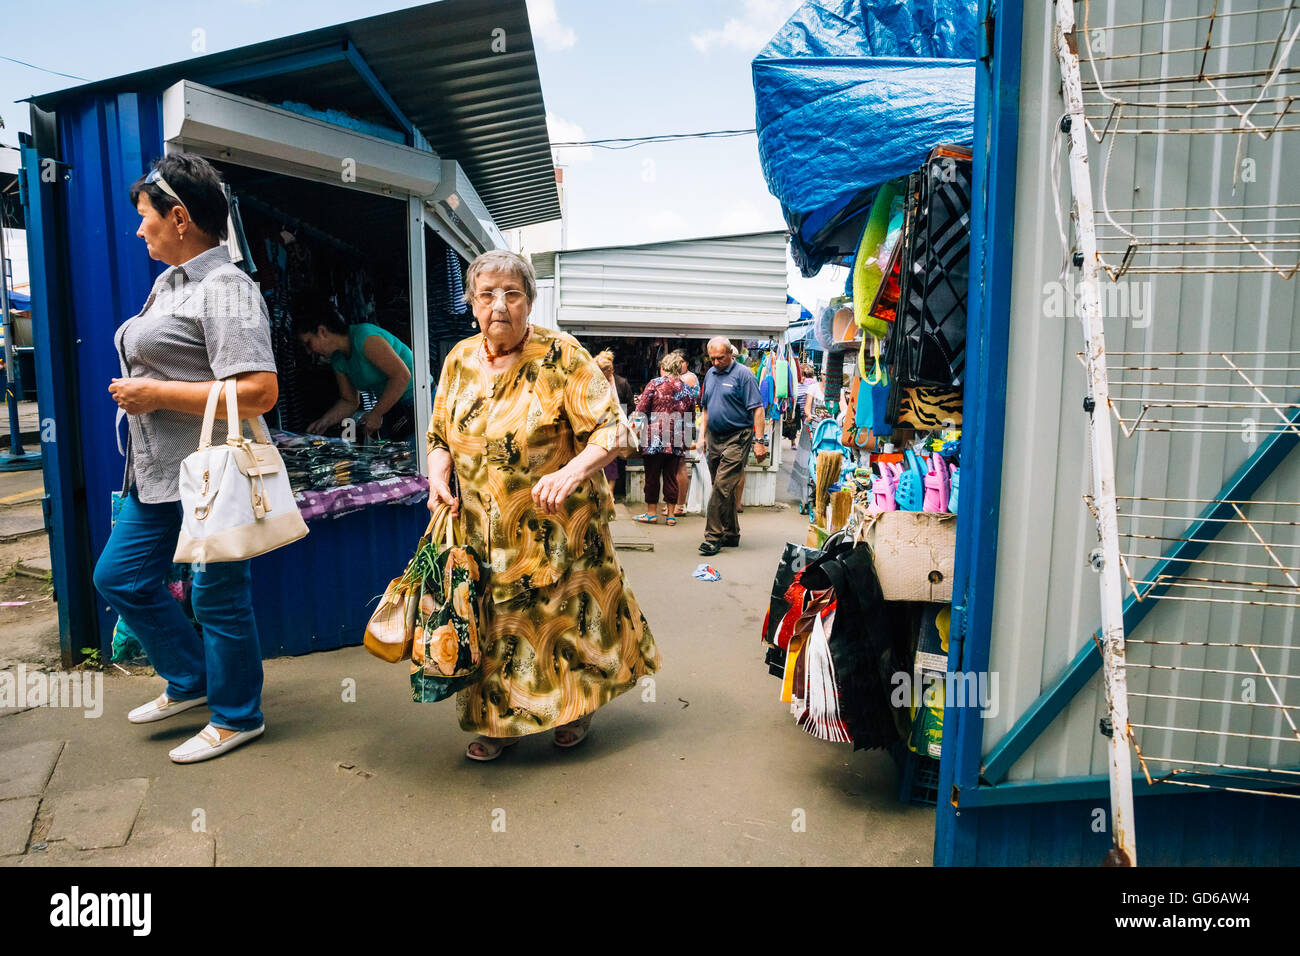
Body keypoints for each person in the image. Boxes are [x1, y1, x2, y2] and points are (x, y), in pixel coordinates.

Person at [426, 250, 661, 761]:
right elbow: (439, 434)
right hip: (480, 531)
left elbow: (613, 430)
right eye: (486, 294)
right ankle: (496, 723)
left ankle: (576, 709)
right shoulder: (459, 360)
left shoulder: (562, 355)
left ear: (529, 301)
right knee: (490, 627)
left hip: (559, 527)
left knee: (564, 626)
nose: (499, 305)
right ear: (471, 302)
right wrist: (437, 468)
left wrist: (572, 470)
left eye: (512, 294)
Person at [94, 152, 279, 763]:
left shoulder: (226, 288)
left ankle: (237, 716)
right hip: (155, 474)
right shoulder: (170, 283)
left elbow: (258, 391)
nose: (138, 228)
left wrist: (155, 395)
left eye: (145, 216)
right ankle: (192, 680)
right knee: (119, 577)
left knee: (218, 596)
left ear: (179, 217)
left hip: (211, 472)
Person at [295, 304, 419, 442]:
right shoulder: (338, 359)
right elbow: (350, 400)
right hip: (393, 409)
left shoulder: (365, 337)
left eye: (308, 343)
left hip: (417, 403)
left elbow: (401, 376)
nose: (308, 351)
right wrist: (323, 423)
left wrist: (377, 413)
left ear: (322, 331)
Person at [695, 336, 766, 556]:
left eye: (720, 358)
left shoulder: (744, 375)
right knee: (721, 487)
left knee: (721, 488)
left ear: (730, 354)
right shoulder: (710, 374)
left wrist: (760, 441)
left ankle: (712, 537)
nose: (715, 362)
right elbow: (706, 409)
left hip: (738, 437)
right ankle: (731, 534)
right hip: (715, 437)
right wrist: (702, 436)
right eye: (712, 358)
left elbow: (758, 409)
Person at [631, 351, 699, 526]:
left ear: (663, 367)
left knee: (652, 476)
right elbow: (691, 417)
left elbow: (641, 410)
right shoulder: (687, 389)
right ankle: (671, 515)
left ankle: (651, 513)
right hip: (677, 438)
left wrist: (634, 429)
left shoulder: (655, 384)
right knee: (671, 476)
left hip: (655, 437)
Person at [593, 350, 632, 497]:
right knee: (602, 458)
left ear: (611, 369)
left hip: (618, 424)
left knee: (614, 460)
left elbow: (630, 406)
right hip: (599, 424)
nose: (604, 373)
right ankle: (604, 491)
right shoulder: (593, 383)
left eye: (606, 370)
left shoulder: (621, 383)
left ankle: (610, 492)